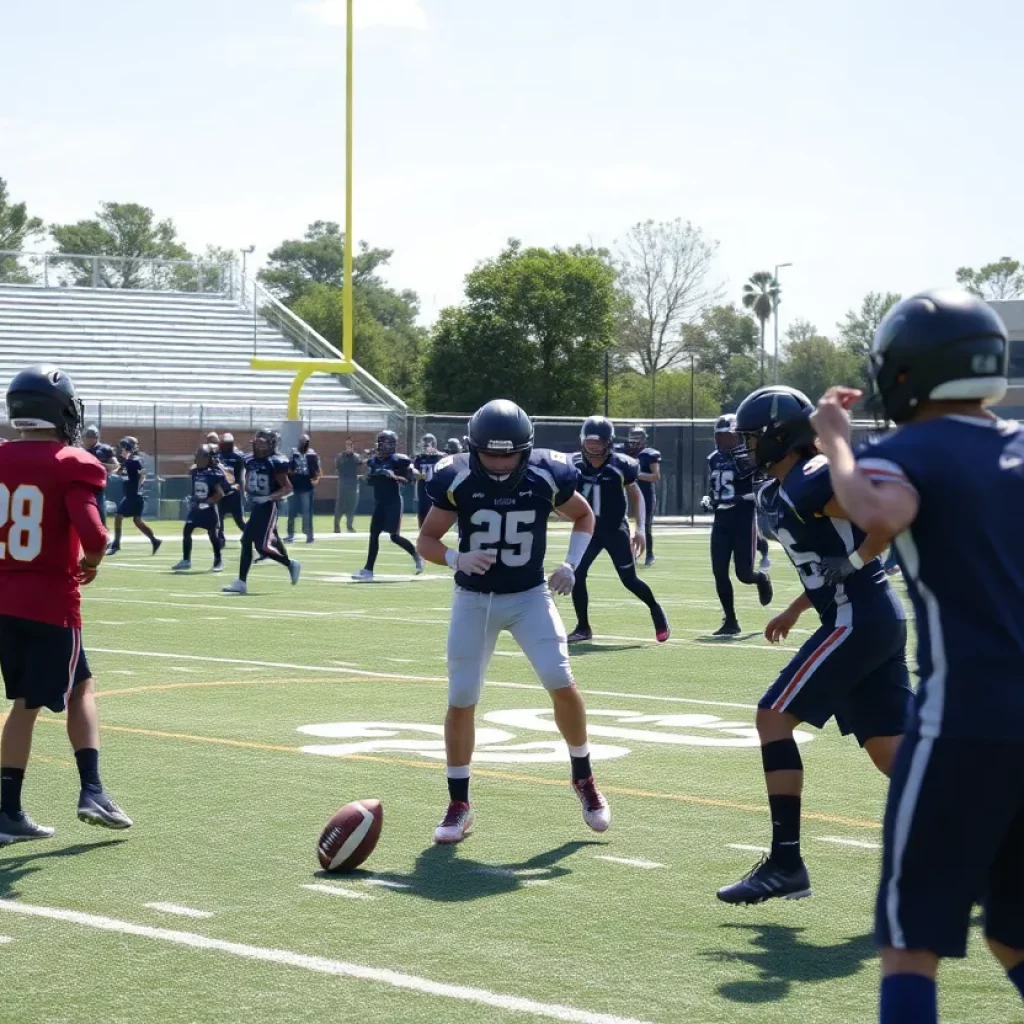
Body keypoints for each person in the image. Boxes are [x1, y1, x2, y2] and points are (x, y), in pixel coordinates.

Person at [808, 289, 1024, 1024]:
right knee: (1012, 936)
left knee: (909, 944)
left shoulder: (912, 450)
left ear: (907, 373)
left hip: (966, 721)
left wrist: (834, 439)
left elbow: (878, 511)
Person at [715, 384, 912, 906]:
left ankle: (786, 863)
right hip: (868, 617)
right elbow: (823, 561)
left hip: (859, 618)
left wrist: (857, 560)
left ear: (781, 437)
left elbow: (884, 519)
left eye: (753, 437)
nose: (746, 446)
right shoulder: (779, 491)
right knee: (894, 753)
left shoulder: (811, 478)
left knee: (772, 716)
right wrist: (797, 607)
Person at [418, 399, 610, 844]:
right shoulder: (457, 477)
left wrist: (571, 564)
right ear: (474, 447)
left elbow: (584, 515)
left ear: (526, 449)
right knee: (462, 695)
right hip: (474, 599)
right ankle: (459, 803)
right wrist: (456, 557)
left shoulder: (547, 473)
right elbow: (426, 539)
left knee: (560, 679)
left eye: (509, 454)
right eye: (492, 453)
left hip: (528, 596)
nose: (501, 463)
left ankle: (583, 776)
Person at [0, 365, 132, 842]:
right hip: (51, 604)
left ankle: (10, 811)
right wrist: (93, 560)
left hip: (4, 603)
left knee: (30, 701)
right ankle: (91, 790)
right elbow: (95, 535)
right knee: (76, 693)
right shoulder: (72, 461)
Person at [567, 416, 670, 644]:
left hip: (615, 529)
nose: (593, 446)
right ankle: (583, 627)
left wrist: (640, 528)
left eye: (599, 442)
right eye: (590, 441)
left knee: (629, 579)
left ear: (609, 442)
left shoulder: (621, 464)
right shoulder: (573, 465)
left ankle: (656, 610)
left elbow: (636, 494)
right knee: (577, 574)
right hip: (588, 530)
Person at [700, 413, 774, 635]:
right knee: (719, 571)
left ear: (740, 437)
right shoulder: (713, 458)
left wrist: (743, 498)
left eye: (730, 437)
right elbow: (715, 488)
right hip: (721, 520)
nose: (725, 442)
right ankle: (730, 620)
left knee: (744, 574)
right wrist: (709, 499)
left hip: (743, 518)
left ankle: (760, 578)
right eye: (721, 438)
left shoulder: (750, 459)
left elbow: (765, 488)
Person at [221, 429, 300, 594]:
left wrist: (269, 497)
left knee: (262, 546)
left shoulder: (275, 461)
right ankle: (241, 582)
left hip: (269, 506)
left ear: (272, 445)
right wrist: (248, 491)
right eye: (257, 444)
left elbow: (288, 488)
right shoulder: (250, 459)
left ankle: (290, 563)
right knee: (246, 541)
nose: (259, 448)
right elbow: (248, 477)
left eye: (263, 444)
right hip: (257, 505)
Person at [352, 430, 423, 580]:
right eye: (379, 442)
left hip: (393, 502)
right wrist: (370, 478)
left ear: (390, 444)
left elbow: (409, 481)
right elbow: (367, 475)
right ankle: (368, 570)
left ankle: (416, 555)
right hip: (380, 503)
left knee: (394, 537)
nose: (379, 445)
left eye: (382, 442)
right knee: (374, 535)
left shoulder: (398, 461)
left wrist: (393, 476)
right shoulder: (374, 461)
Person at [172, 444, 226, 572]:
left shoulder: (214, 473)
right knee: (187, 530)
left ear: (209, 459)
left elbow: (220, 494)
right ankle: (186, 560)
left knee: (213, 534)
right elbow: (190, 470)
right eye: (198, 457)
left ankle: (218, 561)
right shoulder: (196, 470)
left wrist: (208, 502)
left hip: (209, 508)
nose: (199, 460)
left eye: (202, 457)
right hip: (196, 507)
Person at [106, 436, 161, 556]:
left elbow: (143, 473)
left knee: (118, 517)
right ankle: (155, 540)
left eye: (123, 447)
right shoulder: (127, 461)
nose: (121, 450)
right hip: (131, 495)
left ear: (128, 447)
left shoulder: (136, 460)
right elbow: (119, 471)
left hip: (134, 496)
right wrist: (104, 469)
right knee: (137, 521)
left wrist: (140, 485)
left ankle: (116, 545)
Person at [625, 426, 660, 566]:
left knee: (645, 525)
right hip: (628, 493)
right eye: (633, 435)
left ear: (644, 438)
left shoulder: (649, 454)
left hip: (645, 494)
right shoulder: (624, 452)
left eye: (639, 436)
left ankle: (649, 554)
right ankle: (630, 554)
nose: (635, 439)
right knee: (626, 525)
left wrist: (636, 474)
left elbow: (656, 476)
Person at [285, 434, 321, 544]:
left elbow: (317, 470)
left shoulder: (312, 454)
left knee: (307, 511)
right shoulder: (294, 453)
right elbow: (289, 469)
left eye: (306, 442)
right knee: (292, 511)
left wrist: (314, 480)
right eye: (303, 442)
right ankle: (290, 534)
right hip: (295, 485)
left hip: (306, 485)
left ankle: (309, 535)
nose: (304, 444)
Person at [81, 425, 118, 526]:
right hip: (81, 485)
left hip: (97, 486)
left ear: (95, 438)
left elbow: (115, 466)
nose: (87, 440)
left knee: (99, 511)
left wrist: (98, 465)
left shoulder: (104, 449)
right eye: (86, 438)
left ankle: (103, 533)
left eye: (90, 438)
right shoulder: (80, 450)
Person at [216, 432, 247, 545]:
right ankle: (220, 540)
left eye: (228, 444)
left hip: (233, 492)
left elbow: (241, 476)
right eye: (225, 444)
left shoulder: (237, 456)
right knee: (218, 519)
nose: (226, 446)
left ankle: (252, 535)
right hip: (219, 492)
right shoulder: (216, 455)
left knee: (239, 520)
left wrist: (242, 490)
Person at [413, 433, 444, 527]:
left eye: (426, 445)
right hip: (423, 490)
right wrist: (415, 472)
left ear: (433, 445)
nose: (424, 447)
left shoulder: (441, 457)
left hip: (436, 491)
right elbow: (413, 470)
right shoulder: (419, 458)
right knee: (422, 516)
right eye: (424, 445)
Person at [333, 438, 363, 533]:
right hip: (343, 483)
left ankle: (349, 526)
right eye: (347, 444)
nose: (348, 446)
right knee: (340, 505)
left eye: (350, 445)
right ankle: (336, 526)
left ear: (353, 446)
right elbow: (337, 467)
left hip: (353, 484)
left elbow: (359, 464)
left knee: (351, 505)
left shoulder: (356, 456)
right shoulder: (340, 457)